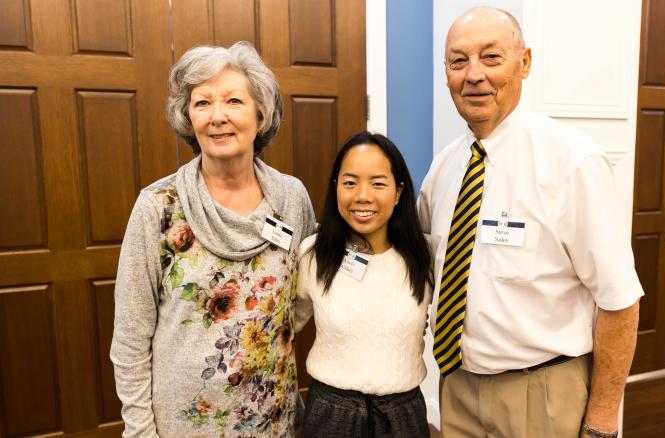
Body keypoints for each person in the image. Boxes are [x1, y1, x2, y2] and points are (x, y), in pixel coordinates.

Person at [418, 7, 643, 438]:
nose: (474, 75)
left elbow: (620, 301)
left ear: (525, 62)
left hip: (543, 395)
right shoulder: (442, 170)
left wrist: (602, 420)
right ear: (445, 72)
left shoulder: (572, 162)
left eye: (491, 57)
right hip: (457, 389)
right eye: (458, 61)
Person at [110, 41, 315, 437]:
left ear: (261, 113)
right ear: (188, 117)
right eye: (202, 103)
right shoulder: (158, 208)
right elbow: (130, 338)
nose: (217, 117)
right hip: (184, 422)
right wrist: (139, 431)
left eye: (234, 101)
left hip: (272, 415)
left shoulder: (292, 198)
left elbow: (306, 295)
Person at [295, 131, 433, 437]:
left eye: (378, 183)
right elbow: (283, 329)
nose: (362, 196)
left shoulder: (425, 257)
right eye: (350, 182)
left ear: (398, 192)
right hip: (331, 412)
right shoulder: (313, 255)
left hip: (403, 414)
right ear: (336, 188)